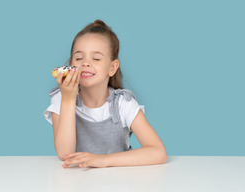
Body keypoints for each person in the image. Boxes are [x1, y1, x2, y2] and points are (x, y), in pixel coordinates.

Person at [43, 19, 167, 168]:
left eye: (96, 58)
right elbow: (64, 153)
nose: (85, 63)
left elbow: (158, 152)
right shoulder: (61, 98)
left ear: (112, 67)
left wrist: (103, 160)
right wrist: (68, 99)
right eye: (78, 58)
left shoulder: (123, 103)